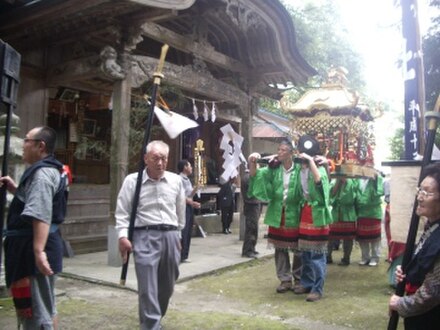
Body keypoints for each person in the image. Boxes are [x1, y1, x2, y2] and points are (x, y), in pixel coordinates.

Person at [2, 126, 67, 329]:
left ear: (41, 146)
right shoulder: (47, 171)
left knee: (36, 313)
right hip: (35, 247)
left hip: (34, 251)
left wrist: (38, 251)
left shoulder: (42, 174)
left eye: (27, 140)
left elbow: (41, 213)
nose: (23, 144)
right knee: (45, 308)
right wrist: (16, 189)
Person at [115, 140, 186, 330]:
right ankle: (151, 325)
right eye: (155, 158)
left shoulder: (175, 180)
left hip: (170, 234)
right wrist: (123, 236)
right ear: (146, 159)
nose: (160, 163)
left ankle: (154, 318)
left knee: (167, 284)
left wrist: (178, 235)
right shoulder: (132, 180)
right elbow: (122, 212)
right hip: (144, 235)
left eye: (164, 158)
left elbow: (180, 210)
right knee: (147, 286)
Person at [389, 163, 440, 328]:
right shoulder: (432, 226)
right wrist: (409, 272)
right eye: (420, 190)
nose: (420, 196)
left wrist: (401, 304)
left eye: (427, 192)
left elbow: (433, 291)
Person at [248, 139, 302, 294]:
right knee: (280, 248)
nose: (279, 152)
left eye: (283, 150)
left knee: (298, 248)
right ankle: (285, 279)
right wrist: (253, 161)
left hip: (295, 212)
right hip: (277, 212)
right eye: (278, 149)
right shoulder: (273, 169)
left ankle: (299, 278)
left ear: (291, 153)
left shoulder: (299, 168)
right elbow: (255, 175)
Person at [291, 152, 332, 302]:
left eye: (304, 159)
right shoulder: (298, 170)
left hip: (318, 215)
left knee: (317, 255)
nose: (302, 161)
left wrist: (312, 162)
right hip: (305, 212)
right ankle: (307, 283)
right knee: (305, 254)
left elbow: (319, 182)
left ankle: (317, 288)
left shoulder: (318, 170)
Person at [327, 178, 358, 266]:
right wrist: (337, 181)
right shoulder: (333, 181)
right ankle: (328, 256)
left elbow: (351, 197)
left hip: (348, 214)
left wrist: (345, 181)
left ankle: (346, 258)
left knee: (348, 238)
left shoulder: (353, 182)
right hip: (335, 214)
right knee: (330, 237)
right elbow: (330, 195)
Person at [355, 175, 384, 267]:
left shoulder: (377, 178)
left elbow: (379, 192)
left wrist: (375, 180)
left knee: (375, 238)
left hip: (373, 212)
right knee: (363, 238)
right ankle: (365, 257)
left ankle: (375, 257)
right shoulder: (357, 179)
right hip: (361, 212)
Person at [177, 159, 201, 263]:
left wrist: (196, 188)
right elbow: (181, 196)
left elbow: (189, 194)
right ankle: (181, 255)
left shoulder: (186, 179)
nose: (191, 168)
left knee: (188, 231)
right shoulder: (179, 179)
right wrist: (192, 203)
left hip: (189, 206)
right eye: (190, 166)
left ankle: (185, 255)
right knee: (184, 230)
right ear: (185, 167)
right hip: (183, 207)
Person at [241, 168, 262, 258]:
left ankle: (252, 248)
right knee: (251, 228)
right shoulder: (247, 178)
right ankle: (247, 250)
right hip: (251, 205)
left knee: (254, 228)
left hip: (255, 204)